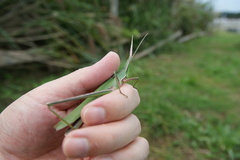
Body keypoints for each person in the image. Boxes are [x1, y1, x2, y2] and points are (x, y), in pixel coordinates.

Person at [0, 52, 149, 160]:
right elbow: (118, 80)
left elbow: (134, 80)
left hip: (96, 108)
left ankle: (73, 127)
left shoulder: (126, 76)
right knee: (54, 105)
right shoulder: (117, 75)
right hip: (99, 94)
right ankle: (69, 125)